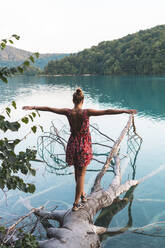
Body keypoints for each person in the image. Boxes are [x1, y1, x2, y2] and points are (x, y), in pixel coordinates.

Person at [22, 88, 137, 211]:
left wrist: (33, 107)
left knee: (77, 173)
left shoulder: (68, 112)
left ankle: (82, 196)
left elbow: (50, 109)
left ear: (73, 100)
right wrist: (125, 111)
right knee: (81, 174)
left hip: (72, 144)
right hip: (84, 146)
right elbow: (107, 111)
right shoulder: (86, 112)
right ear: (83, 100)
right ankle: (76, 204)